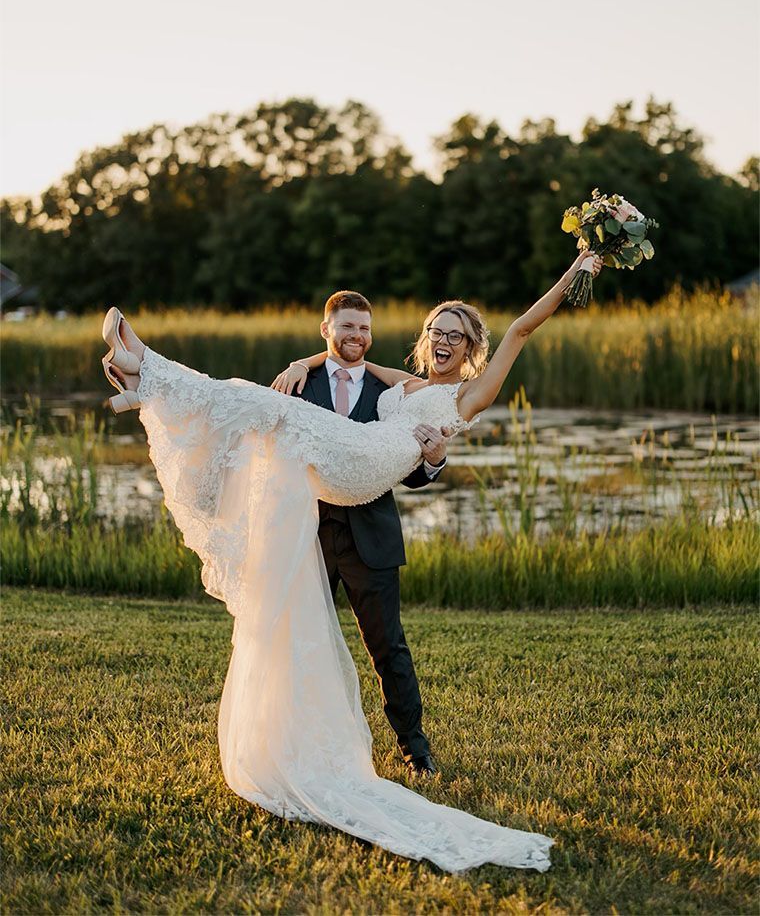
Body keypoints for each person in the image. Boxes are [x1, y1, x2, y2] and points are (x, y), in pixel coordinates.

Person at [100, 249, 602, 873]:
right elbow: (342, 356)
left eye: (457, 335)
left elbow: (522, 329)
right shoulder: (404, 382)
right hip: (342, 474)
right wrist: (303, 360)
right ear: (426, 338)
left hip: (365, 467)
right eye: (437, 331)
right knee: (266, 410)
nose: (445, 341)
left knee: (274, 414)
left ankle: (146, 373)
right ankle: (145, 383)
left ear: (473, 346)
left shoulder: (470, 394)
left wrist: (576, 269)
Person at [272, 290, 447, 777]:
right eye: (347, 326)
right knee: (300, 644)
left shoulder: (390, 395)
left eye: (364, 328)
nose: (357, 336)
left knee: (388, 647)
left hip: (372, 537)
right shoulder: (296, 384)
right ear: (325, 329)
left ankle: (415, 748)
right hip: (307, 535)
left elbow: (408, 470)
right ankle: (296, 744)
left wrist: (434, 461)